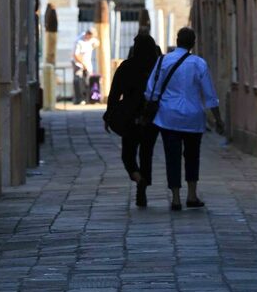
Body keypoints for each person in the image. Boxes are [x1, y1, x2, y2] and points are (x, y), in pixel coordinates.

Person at [145, 25, 225, 211]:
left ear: (177, 41)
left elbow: (151, 91)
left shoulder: (163, 61)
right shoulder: (199, 63)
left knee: (171, 157)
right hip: (193, 118)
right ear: (193, 44)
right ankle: (192, 194)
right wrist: (218, 119)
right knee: (192, 156)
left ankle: (175, 198)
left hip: (168, 117)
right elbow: (210, 95)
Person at [103, 31, 162, 206]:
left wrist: (109, 116)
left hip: (130, 117)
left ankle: (137, 178)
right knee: (146, 152)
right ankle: (144, 183)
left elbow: (114, 95)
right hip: (151, 116)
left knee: (128, 154)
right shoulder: (158, 68)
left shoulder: (126, 67)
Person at [72, 28, 97, 105]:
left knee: (87, 81)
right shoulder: (79, 41)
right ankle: (79, 99)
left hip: (87, 63)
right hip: (78, 63)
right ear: (87, 34)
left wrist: (95, 45)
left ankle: (87, 98)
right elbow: (75, 55)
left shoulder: (91, 39)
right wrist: (83, 64)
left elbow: (96, 42)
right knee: (78, 81)